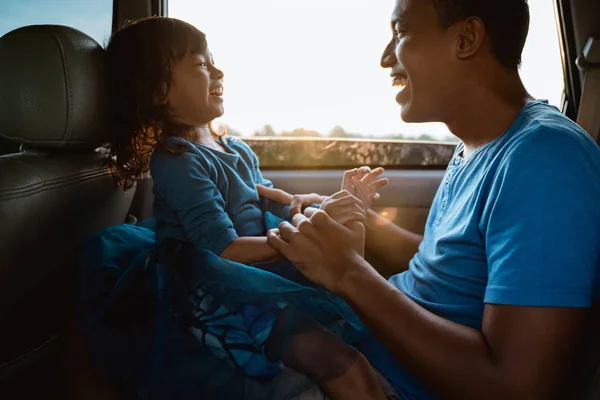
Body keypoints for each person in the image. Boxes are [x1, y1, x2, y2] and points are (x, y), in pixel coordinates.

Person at [265, 0, 600, 399]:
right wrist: (362, 220)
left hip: (381, 383)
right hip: (359, 348)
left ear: (466, 38)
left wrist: (348, 272)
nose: (385, 58)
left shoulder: (545, 159)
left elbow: (514, 387)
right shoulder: (477, 145)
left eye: (401, 33)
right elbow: (442, 271)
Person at [102, 16, 395, 400]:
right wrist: (305, 239)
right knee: (344, 364)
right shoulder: (177, 159)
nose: (219, 70)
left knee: (355, 354)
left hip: (256, 275)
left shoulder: (235, 148)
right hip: (216, 291)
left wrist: (312, 207)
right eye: (202, 65)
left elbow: (268, 203)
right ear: (158, 91)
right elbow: (222, 250)